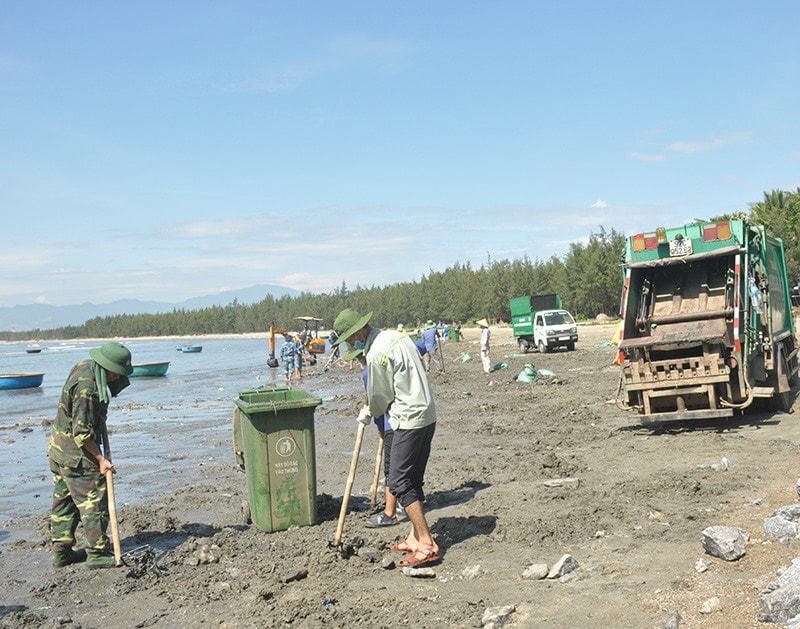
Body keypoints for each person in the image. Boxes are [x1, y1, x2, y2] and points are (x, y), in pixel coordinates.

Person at [332, 308, 440, 566]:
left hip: (407, 418)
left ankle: (426, 543)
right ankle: (414, 537)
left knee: (400, 481)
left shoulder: (377, 353)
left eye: (348, 339)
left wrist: (370, 412)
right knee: (413, 478)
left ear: (358, 332)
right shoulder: (397, 336)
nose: (350, 344)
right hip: (426, 413)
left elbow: (380, 396)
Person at [47, 341, 133, 569]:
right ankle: (97, 552)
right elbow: (82, 433)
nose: (118, 378)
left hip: (58, 449)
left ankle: (61, 552)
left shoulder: (85, 366)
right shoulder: (89, 388)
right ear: (108, 368)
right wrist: (101, 460)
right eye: (117, 374)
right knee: (93, 499)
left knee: (64, 501)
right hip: (75, 454)